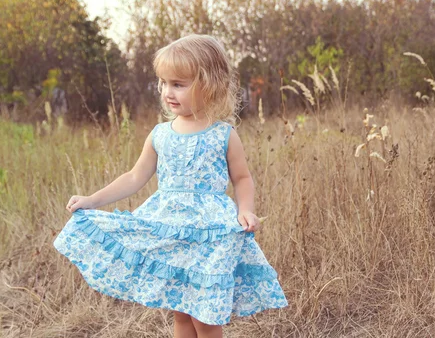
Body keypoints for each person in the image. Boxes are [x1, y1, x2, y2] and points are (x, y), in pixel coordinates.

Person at [53, 34, 288, 338]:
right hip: (171, 229)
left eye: (178, 84)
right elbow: (134, 177)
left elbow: (242, 178)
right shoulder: (160, 134)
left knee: (205, 318)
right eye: (163, 83)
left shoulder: (223, 134)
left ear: (210, 83)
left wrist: (246, 210)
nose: (167, 92)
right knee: (181, 314)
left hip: (210, 234)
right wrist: (92, 200)